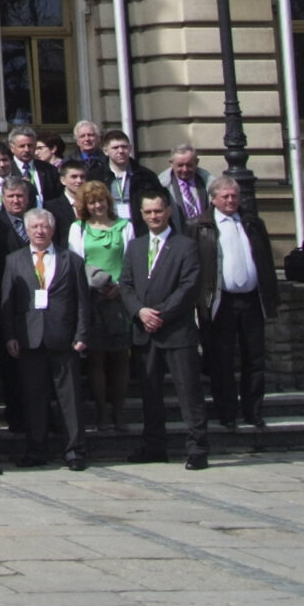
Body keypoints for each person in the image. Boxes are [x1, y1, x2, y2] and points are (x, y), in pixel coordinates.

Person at [122, 191, 211, 469]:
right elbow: (126, 285)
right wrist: (139, 311)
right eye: (147, 212)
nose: (153, 217)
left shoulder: (185, 246)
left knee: (188, 391)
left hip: (176, 331)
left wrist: (161, 314)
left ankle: (197, 447)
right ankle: (154, 445)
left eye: (157, 211)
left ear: (168, 211)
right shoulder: (136, 246)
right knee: (150, 392)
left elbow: (189, 286)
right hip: (145, 331)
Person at [1, 209, 91, 469]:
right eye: (35, 227)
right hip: (29, 338)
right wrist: (10, 336)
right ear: (27, 231)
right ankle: (36, 449)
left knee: (70, 398)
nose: (40, 231)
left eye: (44, 227)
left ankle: (75, 451)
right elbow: (8, 302)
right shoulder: (14, 260)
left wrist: (81, 333)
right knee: (34, 397)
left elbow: (83, 302)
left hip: (64, 338)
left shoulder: (71, 260)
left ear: (52, 230)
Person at [198, 175, 277, 432]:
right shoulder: (201, 226)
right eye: (226, 196)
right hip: (222, 301)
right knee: (223, 360)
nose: (231, 200)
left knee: (254, 358)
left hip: (252, 300)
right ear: (214, 198)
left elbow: (265, 261)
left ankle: (253, 411)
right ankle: (227, 412)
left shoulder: (252, 223)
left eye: (234, 196)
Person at [68, 177, 134, 433]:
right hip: (92, 297)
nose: (98, 206)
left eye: (101, 200)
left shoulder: (124, 226)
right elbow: (77, 262)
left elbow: (131, 259)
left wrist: (119, 284)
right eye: (92, 202)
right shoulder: (79, 228)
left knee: (120, 358)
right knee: (96, 359)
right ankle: (102, 414)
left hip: (119, 297)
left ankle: (119, 412)